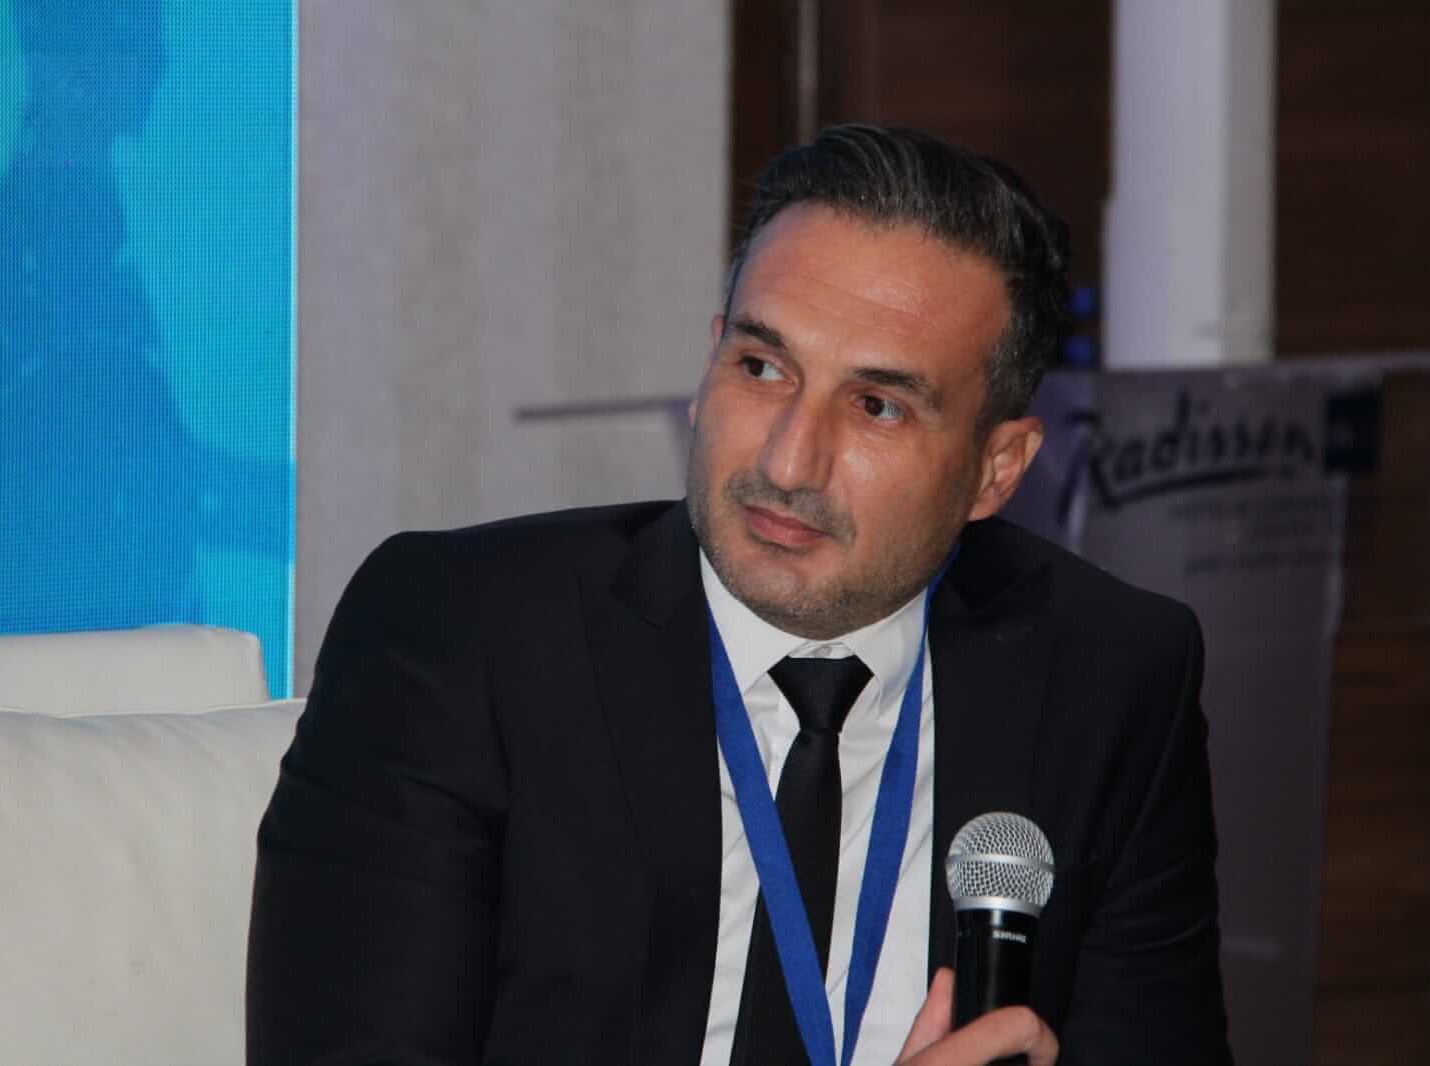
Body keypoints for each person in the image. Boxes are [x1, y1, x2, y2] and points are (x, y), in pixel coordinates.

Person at [247, 124, 1232, 1065]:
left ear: (995, 469)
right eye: (762, 367)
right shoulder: (457, 638)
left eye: (877, 405)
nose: (788, 462)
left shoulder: (1110, 677)